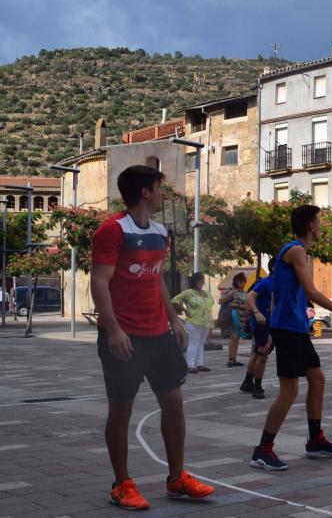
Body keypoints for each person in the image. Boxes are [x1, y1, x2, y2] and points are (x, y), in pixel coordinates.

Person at [91, 165, 214, 510]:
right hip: (124, 336)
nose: (164, 194)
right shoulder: (112, 231)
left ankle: (176, 478)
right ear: (146, 191)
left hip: (158, 333)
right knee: (121, 411)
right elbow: (99, 281)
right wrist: (113, 328)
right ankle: (122, 484)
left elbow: (157, 278)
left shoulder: (160, 233)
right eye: (161, 188)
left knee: (173, 402)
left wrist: (173, 319)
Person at [250, 205, 332, 471]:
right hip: (289, 328)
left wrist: (278, 316)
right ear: (311, 226)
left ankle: (315, 440)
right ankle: (262, 450)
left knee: (317, 379)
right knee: (290, 390)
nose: (321, 227)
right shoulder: (297, 251)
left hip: (294, 327)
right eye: (319, 222)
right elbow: (311, 291)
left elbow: (279, 291)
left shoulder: (293, 251)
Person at [241, 259, 276, 400]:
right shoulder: (265, 282)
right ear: (274, 267)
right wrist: (256, 312)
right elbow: (249, 296)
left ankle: (247, 382)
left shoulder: (284, 283)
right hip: (262, 323)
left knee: (257, 353)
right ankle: (257, 386)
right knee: (263, 354)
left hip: (275, 323)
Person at [172, 272, 215, 374]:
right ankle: (190, 365)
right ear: (194, 281)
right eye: (199, 280)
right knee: (194, 342)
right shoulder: (189, 292)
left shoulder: (206, 293)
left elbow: (210, 305)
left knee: (201, 342)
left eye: (202, 280)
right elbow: (174, 300)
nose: (201, 282)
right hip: (193, 321)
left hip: (206, 322)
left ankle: (199, 364)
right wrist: (184, 310)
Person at [219, 273, 248, 367]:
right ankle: (231, 359)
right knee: (234, 337)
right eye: (240, 281)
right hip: (232, 317)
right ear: (236, 281)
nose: (242, 283)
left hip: (242, 318)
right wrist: (231, 294)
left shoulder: (245, 293)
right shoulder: (230, 291)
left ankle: (234, 358)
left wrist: (239, 305)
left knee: (237, 338)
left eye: (244, 281)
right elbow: (221, 301)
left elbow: (247, 305)